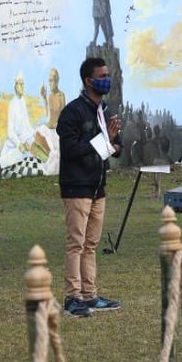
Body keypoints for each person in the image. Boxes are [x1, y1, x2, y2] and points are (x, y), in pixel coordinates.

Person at [57, 57, 123, 318]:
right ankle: (72, 297)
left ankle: (90, 295)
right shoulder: (72, 112)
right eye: (102, 75)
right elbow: (71, 150)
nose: (107, 79)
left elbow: (118, 147)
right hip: (77, 187)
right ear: (88, 80)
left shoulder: (103, 110)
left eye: (108, 74)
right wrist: (104, 139)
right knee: (76, 243)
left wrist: (112, 141)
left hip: (98, 187)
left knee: (91, 244)